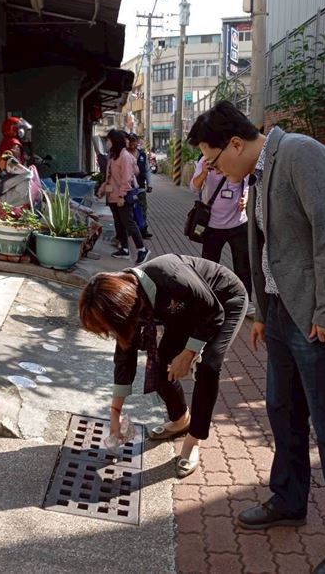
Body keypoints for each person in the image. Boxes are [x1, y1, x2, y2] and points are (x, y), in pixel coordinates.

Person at [187, 101, 325, 574]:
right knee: (283, 411)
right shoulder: (257, 170)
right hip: (281, 313)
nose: (214, 170)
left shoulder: (300, 154)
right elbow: (266, 243)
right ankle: (289, 498)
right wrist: (260, 309)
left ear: (235, 143)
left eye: (213, 160)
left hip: (321, 317)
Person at [78, 254, 248, 477]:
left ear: (122, 308)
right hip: (185, 313)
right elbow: (124, 352)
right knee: (159, 368)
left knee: (209, 366)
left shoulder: (172, 275)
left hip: (223, 302)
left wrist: (188, 353)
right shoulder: (130, 298)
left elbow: (213, 311)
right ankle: (180, 420)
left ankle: (193, 440)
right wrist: (115, 411)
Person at [190, 155, 254, 317]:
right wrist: (204, 172)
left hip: (238, 224)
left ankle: (245, 302)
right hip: (212, 225)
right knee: (209, 267)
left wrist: (245, 198)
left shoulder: (240, 158)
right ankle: (208, 302)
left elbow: (247, 185)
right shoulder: (206, 159)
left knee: (243, 267)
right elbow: (194, 186)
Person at [97, 129, 150, 265]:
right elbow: (109, 177)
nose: (107, 142)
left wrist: (122, 195)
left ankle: (142, 249)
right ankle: (124, 249)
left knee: (128, 222)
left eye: (108, 140)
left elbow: (127, 178)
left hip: (123, 196)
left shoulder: (125, 157)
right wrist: (103, 189)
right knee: (119, 223)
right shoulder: (113, 156)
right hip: (113, 196)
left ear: (114, 141)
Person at [127, 132, 153, 239]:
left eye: (134, 140)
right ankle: (130, 231)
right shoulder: (124, 154)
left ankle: (143, 230)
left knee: (143, 208)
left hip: (140, 187)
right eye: (130, 140)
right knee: (129, 211)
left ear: (137, 142)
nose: (132, 143)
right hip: (128, 188)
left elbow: (147, 170)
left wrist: (150, 183)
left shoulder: (142, 155)